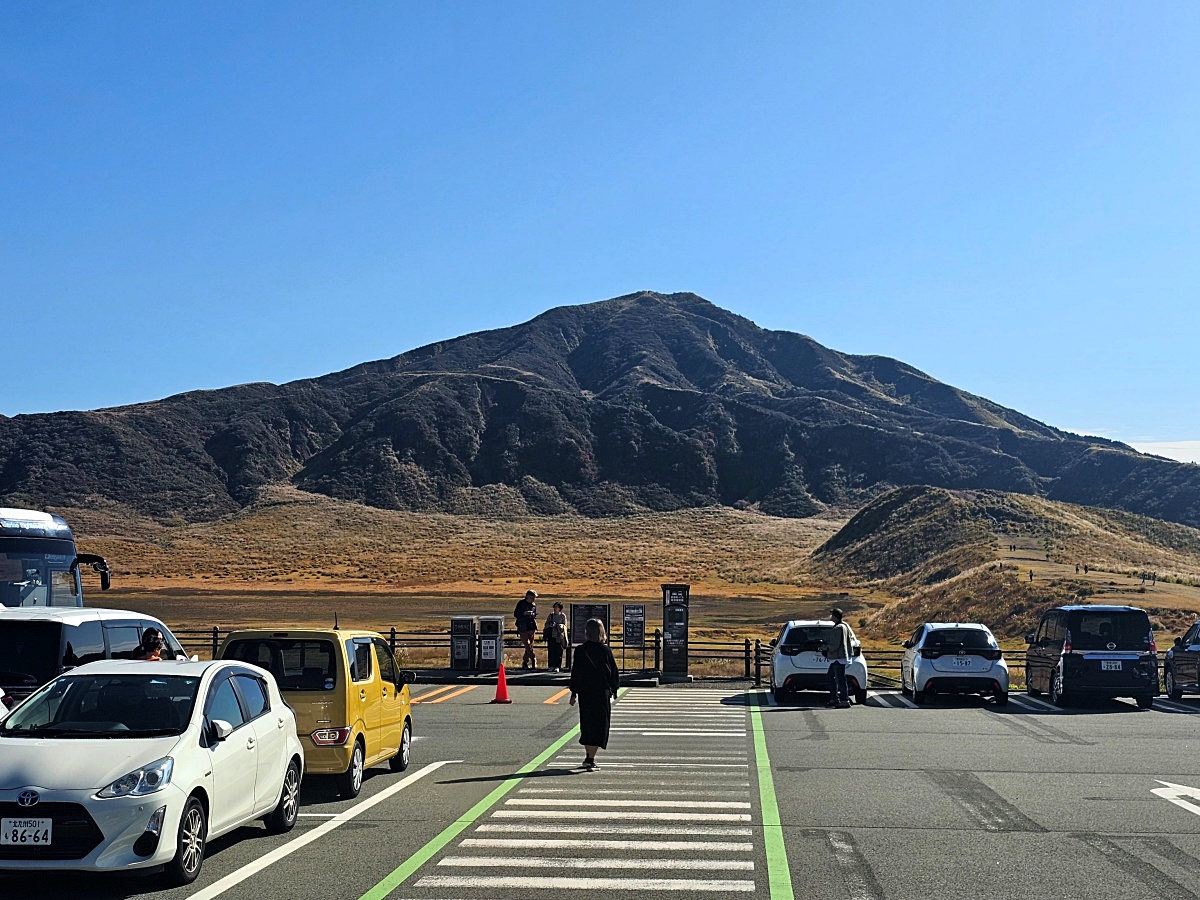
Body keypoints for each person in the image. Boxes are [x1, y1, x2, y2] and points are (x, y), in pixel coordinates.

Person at [569, 618, 619, 770]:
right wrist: (614, 689)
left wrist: (574, 693)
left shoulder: (580, 650)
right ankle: (590, 759)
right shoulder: (605, 650)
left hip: (585, 693)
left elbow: (576, 673)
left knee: (587, 723)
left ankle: (588, 756)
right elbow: (613, 672)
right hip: (601, 692)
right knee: (600, 725)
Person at [821, 608, 857, 709]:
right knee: (833, 677)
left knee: (839, 679)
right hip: (840, 657)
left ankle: (844, 700)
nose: (831, 616)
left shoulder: (838, 628)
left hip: (837, 657)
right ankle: (835, 698)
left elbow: (835, 645)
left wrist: (826, 648)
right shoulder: (844, 626)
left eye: (832, 615)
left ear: (835, 616)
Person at [514, 590, 539, 669]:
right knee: (527, 645)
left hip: (531, 626)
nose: (534, 599)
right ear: (528, 597)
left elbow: (534, 615)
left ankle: (525, 662)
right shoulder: (521, 604)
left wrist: (533, 615)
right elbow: (516, 614)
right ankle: (533, 659)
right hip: (523, 627)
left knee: (530, 645)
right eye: (533, 598)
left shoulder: (533, 605)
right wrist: (524, 613)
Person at [543, 602, 569, 672]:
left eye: (556, 607)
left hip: (559, 636)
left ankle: (557, 666)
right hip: (551, 635)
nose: (555, 608)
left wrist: (557, 625)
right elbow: (546, 624)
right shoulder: (551, 615)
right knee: (551, 651)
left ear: (560, 608)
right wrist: (550, 625)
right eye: (554, 607)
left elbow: (564, 626)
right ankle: (551, 666)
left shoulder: (563, 616)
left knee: (558, 651)